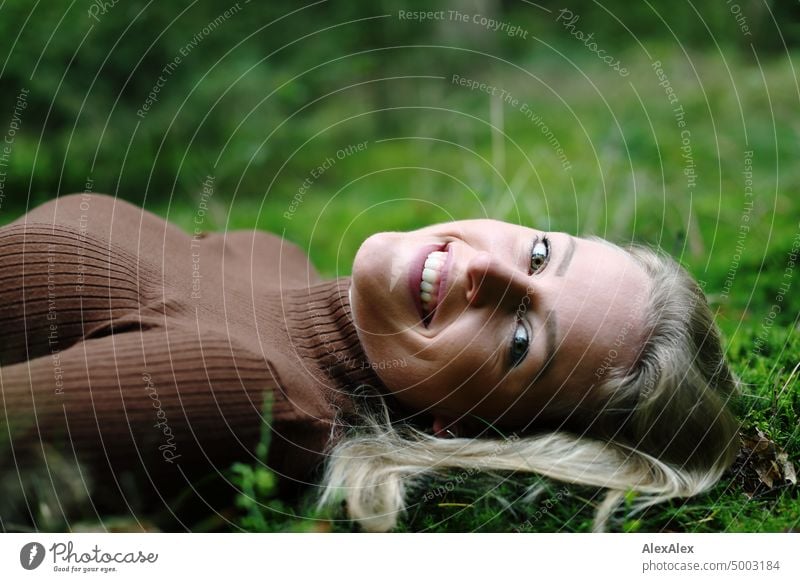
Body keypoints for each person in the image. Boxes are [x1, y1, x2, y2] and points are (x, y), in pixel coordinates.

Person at [0, 193, 739, 532]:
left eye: (521, 341)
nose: (494, 273)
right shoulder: (273, 257)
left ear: (463, 429)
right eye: (540, 253)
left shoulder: (254, 398)